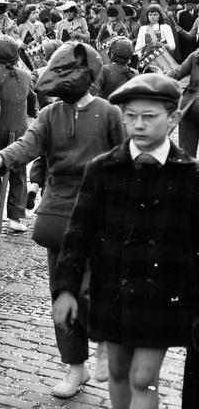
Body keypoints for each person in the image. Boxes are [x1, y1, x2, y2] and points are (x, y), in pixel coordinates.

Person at [0, 42, 124, 398]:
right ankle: (75, 367)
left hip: (100, 214)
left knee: (96, 288)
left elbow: (125, 159)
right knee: (62, 293)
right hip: (59, 215)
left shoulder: (109, 113)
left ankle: (105, 339)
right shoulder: (50, 115)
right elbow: (29, 146)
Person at [52, 74, 199, 409]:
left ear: (173, 119)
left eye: (149, 117)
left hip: (162, 295)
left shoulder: (189, 175)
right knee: (117, 369)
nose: (138, 125)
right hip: (112, 289)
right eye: (130, 116)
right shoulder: (103, 169)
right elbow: (78, 234)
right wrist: (65, 289)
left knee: (143, 377)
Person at [0, 36, 35, 235]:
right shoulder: (26, 76)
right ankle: (15, 217)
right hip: (19, 129)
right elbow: (32, 100)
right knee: (18, 174)